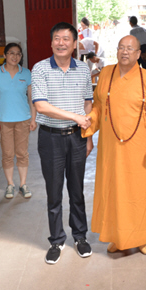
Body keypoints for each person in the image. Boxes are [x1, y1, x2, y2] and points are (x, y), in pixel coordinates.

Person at [83, 35, 146, 255]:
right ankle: (118, 236)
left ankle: (141, 238)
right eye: (121, 47)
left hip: (139, 148)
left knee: (137, 194)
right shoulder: (106, 73)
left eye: (130, 48)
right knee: (114, 192)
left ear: (138, 54)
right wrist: (89, 122)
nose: (124, 52)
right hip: (110, 146)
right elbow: (99, 106)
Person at [31, 22, 94, 265]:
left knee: (77, 189)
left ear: (74, 43)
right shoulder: (40, 68)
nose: (61, 43)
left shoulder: (83, 69)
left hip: (77, 138)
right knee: (54, 191)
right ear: (51, 43)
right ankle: (56, 240)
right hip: (50, 139)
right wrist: (75, 117)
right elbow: (41, 106)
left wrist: (88, 136)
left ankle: (80, 236)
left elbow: (87, 103)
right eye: (57, 38)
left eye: (66, 39)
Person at [0, 43, 37, 200]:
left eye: (18, 54)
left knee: (22, 153)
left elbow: (31, 98)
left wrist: (33, 118)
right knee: (7, 154)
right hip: (3, 120)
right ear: (4, 55)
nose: (15, 56)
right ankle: (10, 184)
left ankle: (23, 184)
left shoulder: (26, 73)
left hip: (23, 119)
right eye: (11, 53)